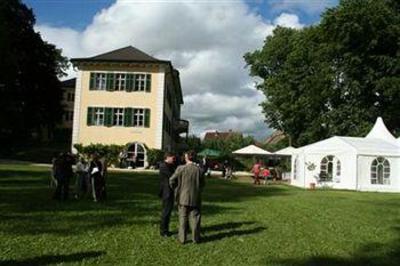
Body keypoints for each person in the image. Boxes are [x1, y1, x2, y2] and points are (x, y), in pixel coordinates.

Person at [169, 151, 205, 244]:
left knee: (182, 218)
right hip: (195, 197)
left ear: (187, 158)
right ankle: (196, 239)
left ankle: (182, 239)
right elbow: (203, 184)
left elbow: (171, 180)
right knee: (195, 219)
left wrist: (176, 189)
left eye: (185, 157)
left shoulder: (181, 168)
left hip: (182, 197)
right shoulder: (199, 170)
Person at [158, 152, 176, 237]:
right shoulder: (164, 166)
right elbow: (172, 176)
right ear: (167, 157)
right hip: (167, 192)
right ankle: (163, 231)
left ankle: (165, 229)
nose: (174, 159)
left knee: (168, 212)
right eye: (172, 158)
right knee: (166, 212)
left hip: (169, 191)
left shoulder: (169, 166)